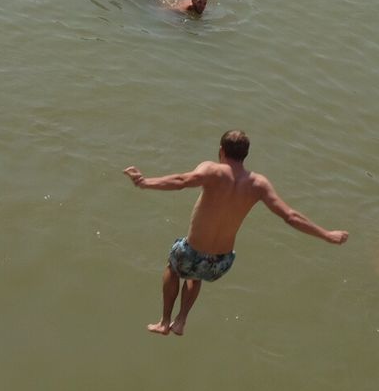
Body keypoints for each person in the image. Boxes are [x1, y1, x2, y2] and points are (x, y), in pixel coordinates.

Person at [123, 130, 349, 336]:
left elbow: (182, 181)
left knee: (175, 265)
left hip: (191, 253)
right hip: (221, 263)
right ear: (245, 155)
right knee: (196, 274)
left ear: (221, 150)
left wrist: (145, 182)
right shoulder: (258, 183)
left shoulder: (212, 170)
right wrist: (327, 235)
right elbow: (291, 216)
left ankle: (164, 322)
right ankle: (181, 321)